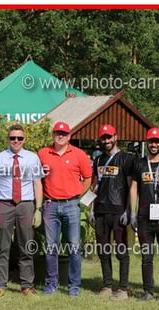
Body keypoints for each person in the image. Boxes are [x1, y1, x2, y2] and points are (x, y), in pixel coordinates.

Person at [0, 125, 43, 297]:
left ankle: (27, 285)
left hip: (26, 205)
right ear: (8, 139)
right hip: (4, 205)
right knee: (2, 246)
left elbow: (37, 184)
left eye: (19, 138)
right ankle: (0, 285)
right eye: (12, 138)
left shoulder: (32, 158)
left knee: (26, 245)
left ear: (24, 139)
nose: (16, 141)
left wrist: (38, 209)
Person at [37, 121, 92, 297]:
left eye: (64, 133)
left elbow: (88, 178)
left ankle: (74, 285)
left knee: (74, 246)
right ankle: (51, 283)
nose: (60, 136)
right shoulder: (43, 153)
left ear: (69, 136)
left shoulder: (79, 154)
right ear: (53, 135)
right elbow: (36, 178)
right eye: (57, 133)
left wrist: (77, 195)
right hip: (50, 204)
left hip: (71, 205)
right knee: (51, 246)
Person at [129, 127, 159, 303]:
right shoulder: (139, 164)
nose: (154, 144)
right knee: (146, 258)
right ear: (147, 142)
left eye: (157, 141)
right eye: (151, 141)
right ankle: (148, 291)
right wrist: (133, 213)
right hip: (144, 219)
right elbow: (133, 188)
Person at [90, 124, 134, 300]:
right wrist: (92, 209)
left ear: (115, 137)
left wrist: (129, 210)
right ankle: (107, 285)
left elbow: (131, 187)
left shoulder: (126, 159)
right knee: (103, 250)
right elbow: (94, 186)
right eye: (103, 138)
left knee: (121, 251)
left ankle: (122, 288)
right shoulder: (98, 160)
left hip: (119, 211)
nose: (106, 140)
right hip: (101, 211)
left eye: (109, 137)